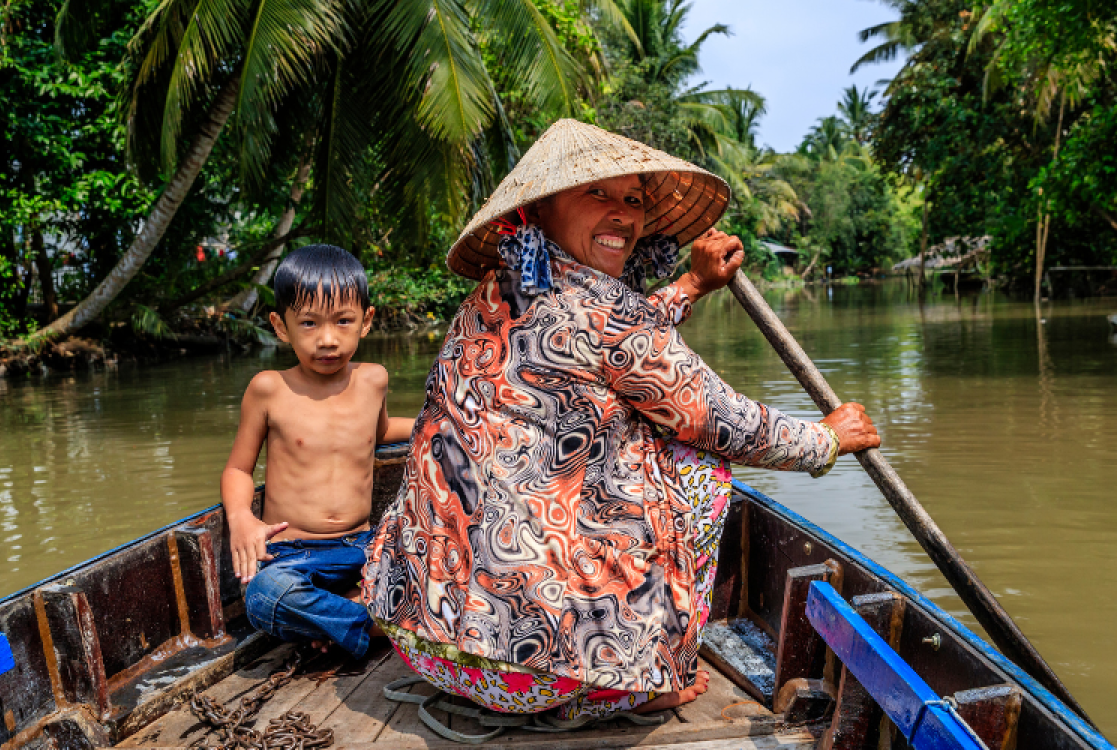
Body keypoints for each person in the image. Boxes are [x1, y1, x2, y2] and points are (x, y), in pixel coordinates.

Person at [362, 120, 880, 728]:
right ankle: (649, 674)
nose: (623, 216)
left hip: (424, 639)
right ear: (538, 211)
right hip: (535, 673)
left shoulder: (500, 288)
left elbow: (615, 339)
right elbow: (723, 420)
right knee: (697, 464)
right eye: (597, 195)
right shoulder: (607, 314)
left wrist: (689, 285)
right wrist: (826, 439)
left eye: (633, 200)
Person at [221, 244, 413, 659]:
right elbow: (238, 468)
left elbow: (378, 433)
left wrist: (434, 426)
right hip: (291, 555)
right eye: (308, 323)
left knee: (426, 557)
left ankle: (336, 620)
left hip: (360, 547)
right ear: (281, 326)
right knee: (264, 596)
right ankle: (373, 623)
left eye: (344, 321)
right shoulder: (269, 388)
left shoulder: (373, 380)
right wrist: (241, 519)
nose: (327, 339)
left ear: (366, 321)